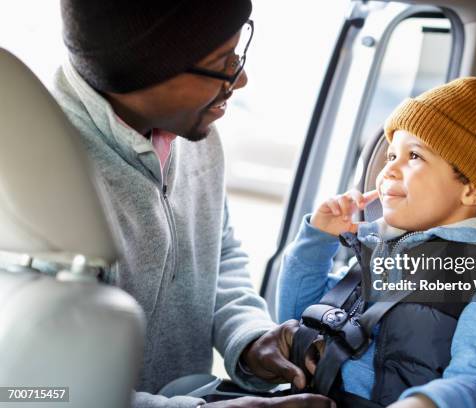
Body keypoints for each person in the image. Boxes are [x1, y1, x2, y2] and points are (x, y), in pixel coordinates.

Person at [52, 0, 333, 407]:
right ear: (147, 68)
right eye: (223, 63)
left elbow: (218, 253)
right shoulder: (40, 182)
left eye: (239, 53)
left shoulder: (193, 134)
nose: (240, 79)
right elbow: (41, 390)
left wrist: (249, 337)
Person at [277, 78, 476, 408]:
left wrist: (426, 403)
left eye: (414, 156)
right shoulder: (384, 249)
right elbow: (295, 323)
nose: (388, 171)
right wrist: (316, 242)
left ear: (473, 189)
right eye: (390, 155)